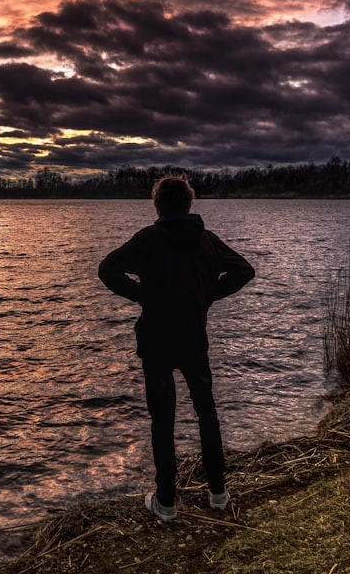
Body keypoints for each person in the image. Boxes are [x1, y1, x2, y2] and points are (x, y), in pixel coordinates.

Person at [98, 175, 255, 522]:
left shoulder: (149, 239)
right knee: (207, 412)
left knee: (162, 422)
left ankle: (166, 502)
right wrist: (206, 296)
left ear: (157, 204)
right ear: (188, 204)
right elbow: (244, 270)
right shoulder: (205, 240)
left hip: (156, 340)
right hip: (193, 340)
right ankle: (218, 494)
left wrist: (144, 295)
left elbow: (108, 269)